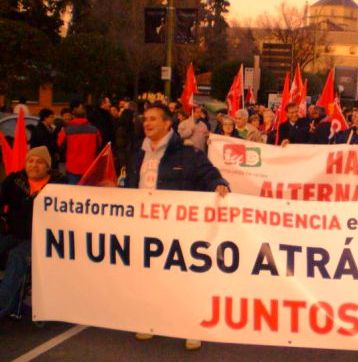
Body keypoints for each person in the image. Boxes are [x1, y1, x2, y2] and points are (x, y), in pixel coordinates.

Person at [125, 104, 229, 351]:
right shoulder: (137, 155)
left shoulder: (187, 154)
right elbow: (130, 187)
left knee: (183, 279)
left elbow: (210, 175)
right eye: (145, 119)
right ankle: (152, 321)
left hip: (178, 229)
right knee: (150, 277)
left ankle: (191, 327)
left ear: (168, 124)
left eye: (153, 119)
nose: (147, 123)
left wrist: (219, 185)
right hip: (145, 227)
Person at [0, 147, 67, 317]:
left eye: (39, 162)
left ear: (47, 166)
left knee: (17, 256)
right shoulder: (15, 180)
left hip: (41, 238)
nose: (34, 165)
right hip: (15, 233)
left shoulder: (58, 185)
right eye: (30, 161)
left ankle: (2, 304)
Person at [57, 101, 102, 184]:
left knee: (73, 193)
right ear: (85, 116)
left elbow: (60, 146)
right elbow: (99, 146)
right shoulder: (94, 130)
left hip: (72, 167)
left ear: (73, 116)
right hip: (89, 167)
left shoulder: (66, 131)